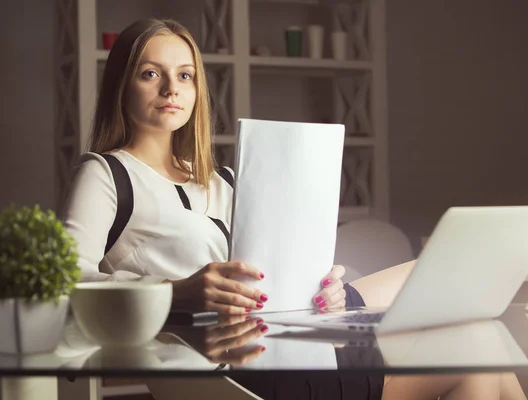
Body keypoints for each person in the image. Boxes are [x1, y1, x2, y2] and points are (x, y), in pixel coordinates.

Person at [62, 18, 526, 400]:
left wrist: (324, 287)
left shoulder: (221, 180)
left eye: (185, 75)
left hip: (294, 345)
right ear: (122, 85)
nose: (171, 88)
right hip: (233, 373)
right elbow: (65, 287)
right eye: (150, 73)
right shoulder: (106, 174)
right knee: (478, 349)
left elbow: (272, 275)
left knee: (479, 341)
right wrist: (177, 291)